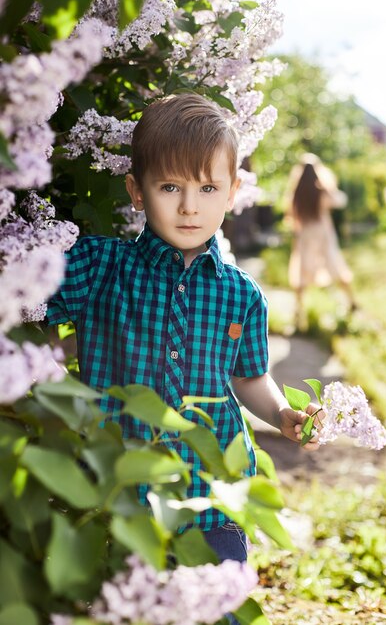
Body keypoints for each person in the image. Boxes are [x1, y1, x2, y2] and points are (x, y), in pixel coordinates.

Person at [46, 94, 321, 570]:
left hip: (211, 495)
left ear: (232, 192)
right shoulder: (98, 267)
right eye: (170, 187)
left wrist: (281, 415)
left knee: (218, 609)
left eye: (208, 189)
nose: (190, 207)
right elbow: (28, 320)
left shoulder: (242, 295)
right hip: (118, 495)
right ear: (137, 190)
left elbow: (249, 376)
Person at [285, 153, 356, 327]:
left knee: (302, 269)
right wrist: (330, 186)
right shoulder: (322, 191)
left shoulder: (296, 194)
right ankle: (352, 301)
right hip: (323, 234)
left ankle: (298, 310)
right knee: (334, 264)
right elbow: (340, 201)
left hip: (304, 235)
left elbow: (291, 216)